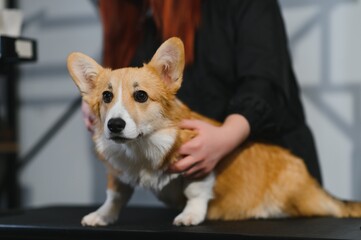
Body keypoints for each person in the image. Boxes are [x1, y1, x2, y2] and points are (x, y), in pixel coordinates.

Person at [83, 0, 323, 184]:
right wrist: (103, 100)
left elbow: (265, 78)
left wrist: (226, 136)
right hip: (200, 188)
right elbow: (130, 80)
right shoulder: (136, 11)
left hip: (273, 172)